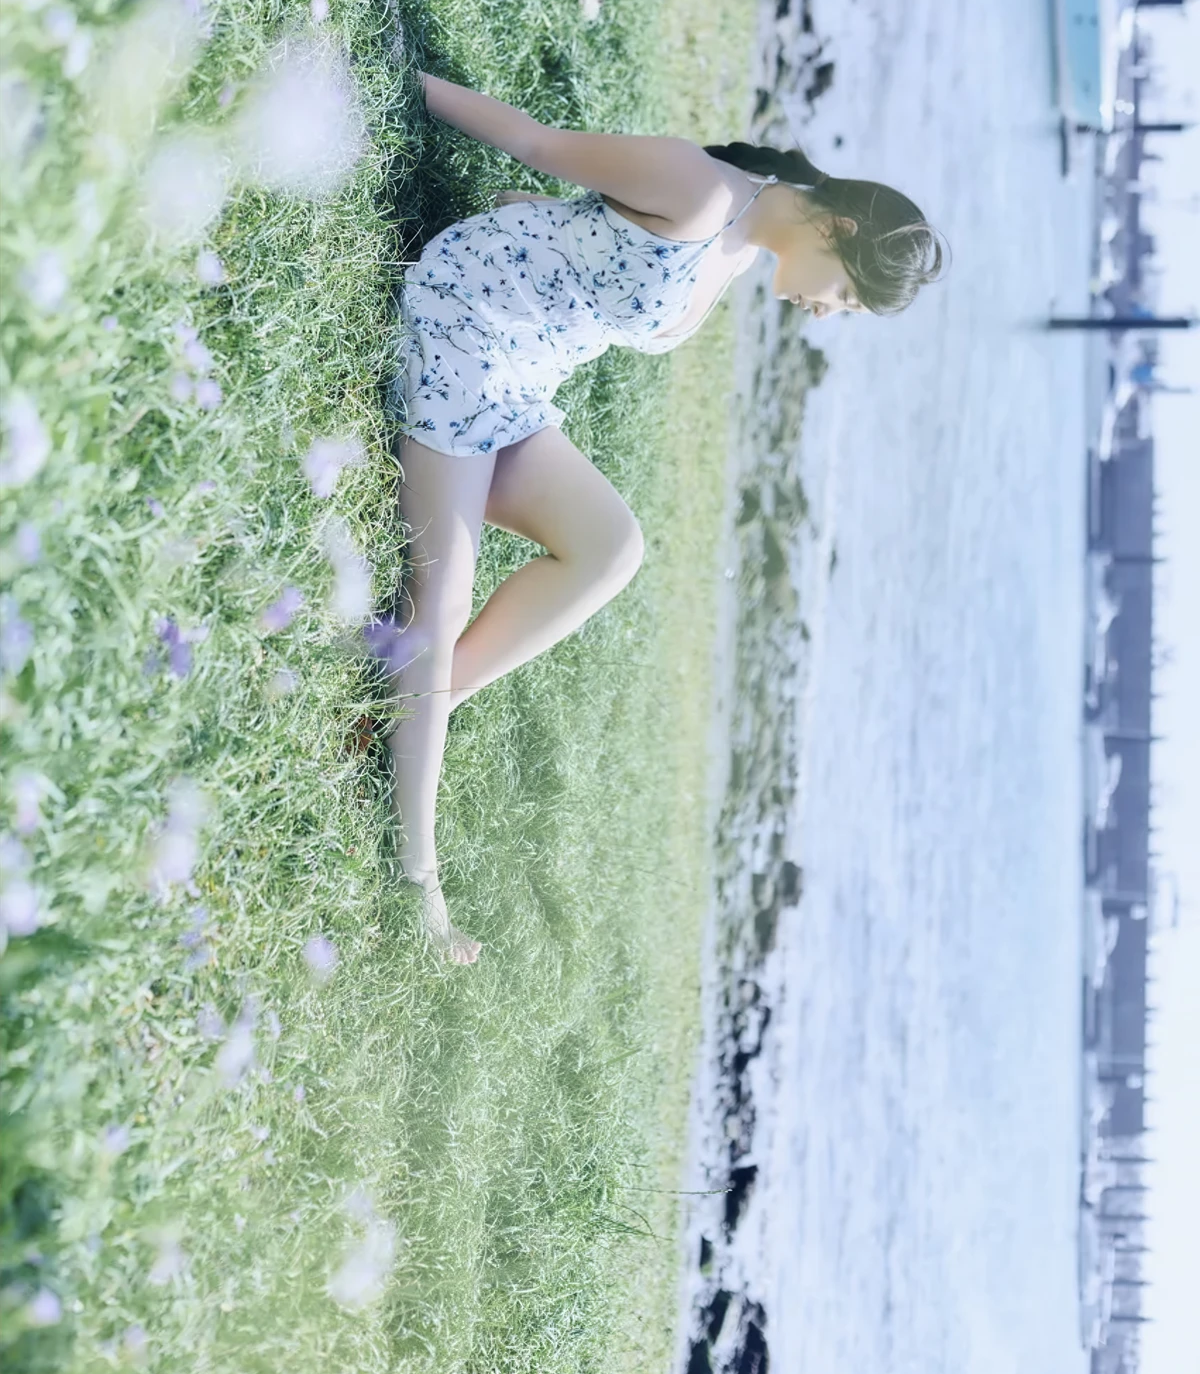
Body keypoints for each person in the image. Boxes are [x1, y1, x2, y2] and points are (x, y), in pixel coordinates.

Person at [381, 71, 948, 962]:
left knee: (612, 547)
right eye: (846, 295)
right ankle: (419, 876)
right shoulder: (702, 189)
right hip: (465, 327)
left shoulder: (737, 246)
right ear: (839, 230)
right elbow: (534, 141)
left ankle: (421, 702)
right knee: (438, 611)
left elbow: (590, 236)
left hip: (515, 383)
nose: (828, 313)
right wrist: (399, 73)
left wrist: (533, 218)